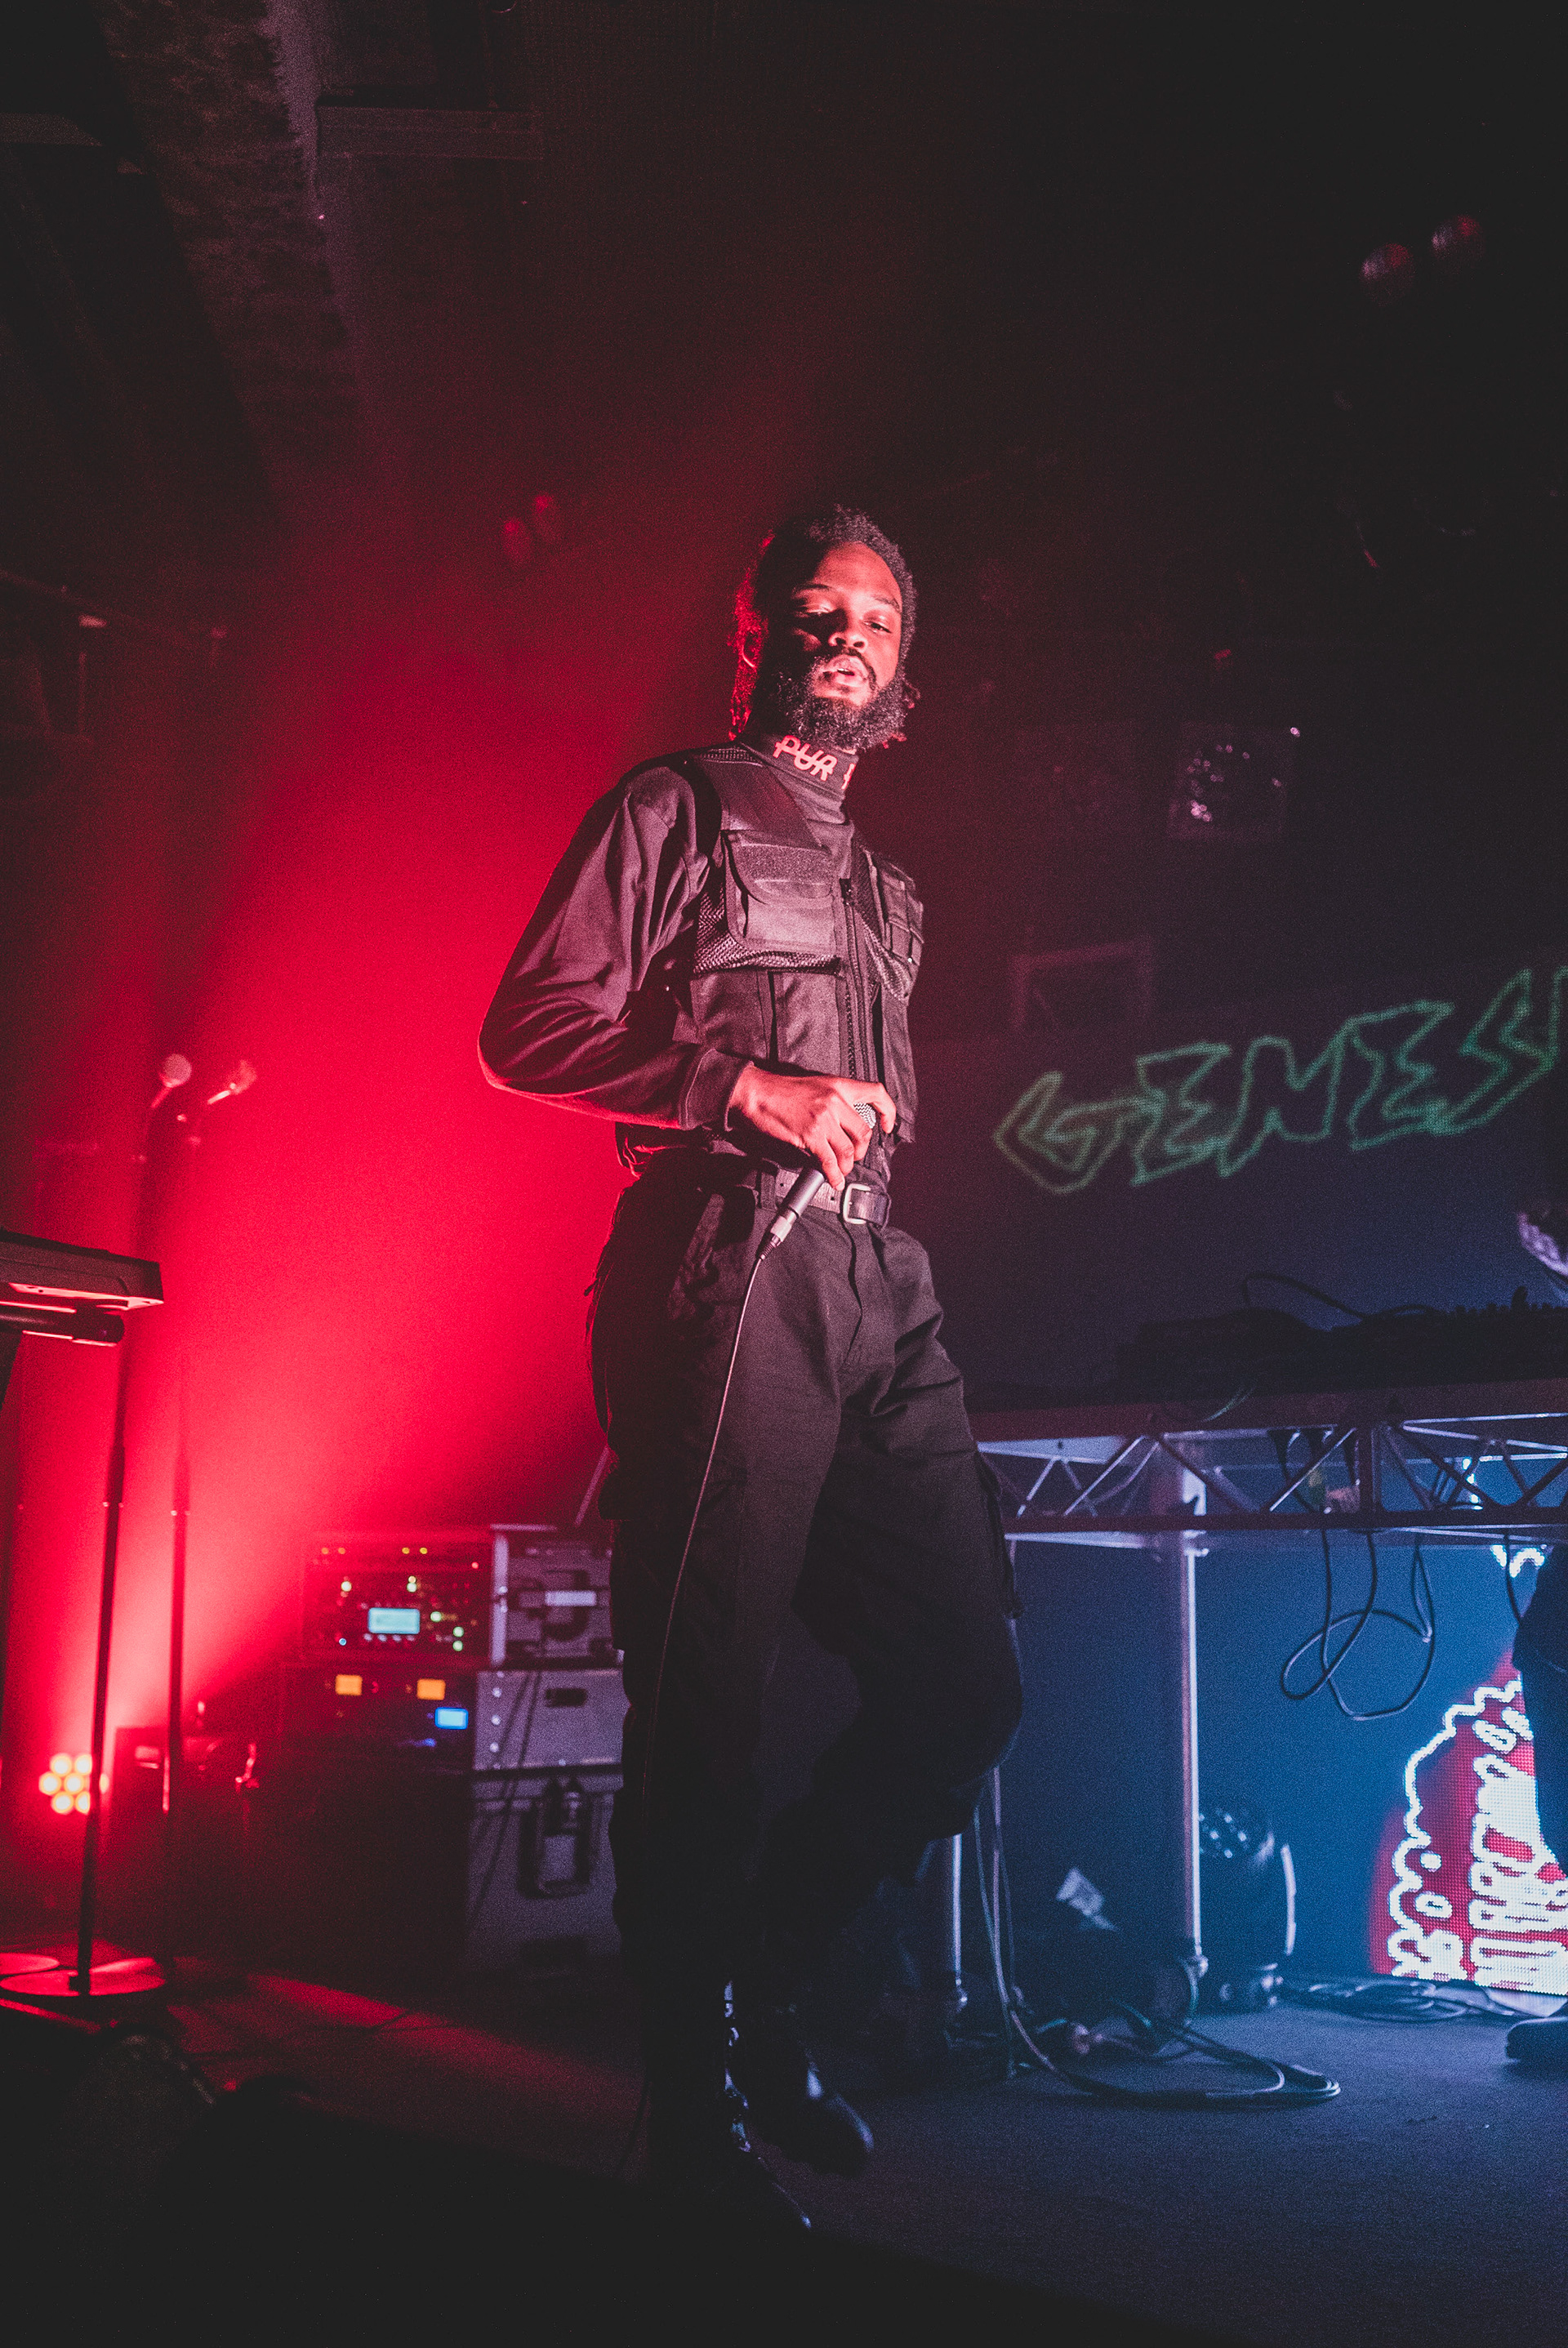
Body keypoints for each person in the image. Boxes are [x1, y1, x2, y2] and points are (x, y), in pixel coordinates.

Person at [479, 506, 1023, 2219]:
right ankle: (690, 2114)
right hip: (728, 1268)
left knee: (963, 1683)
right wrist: (737, 1089)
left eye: (876, 613)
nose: (844, 631)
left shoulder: (891, 885)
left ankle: (761, 1986)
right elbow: (528, 1024)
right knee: (708, 1703)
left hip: (880, 1285)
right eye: (815, 608)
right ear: (761, 634)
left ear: (905, 667)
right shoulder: (679, 803)